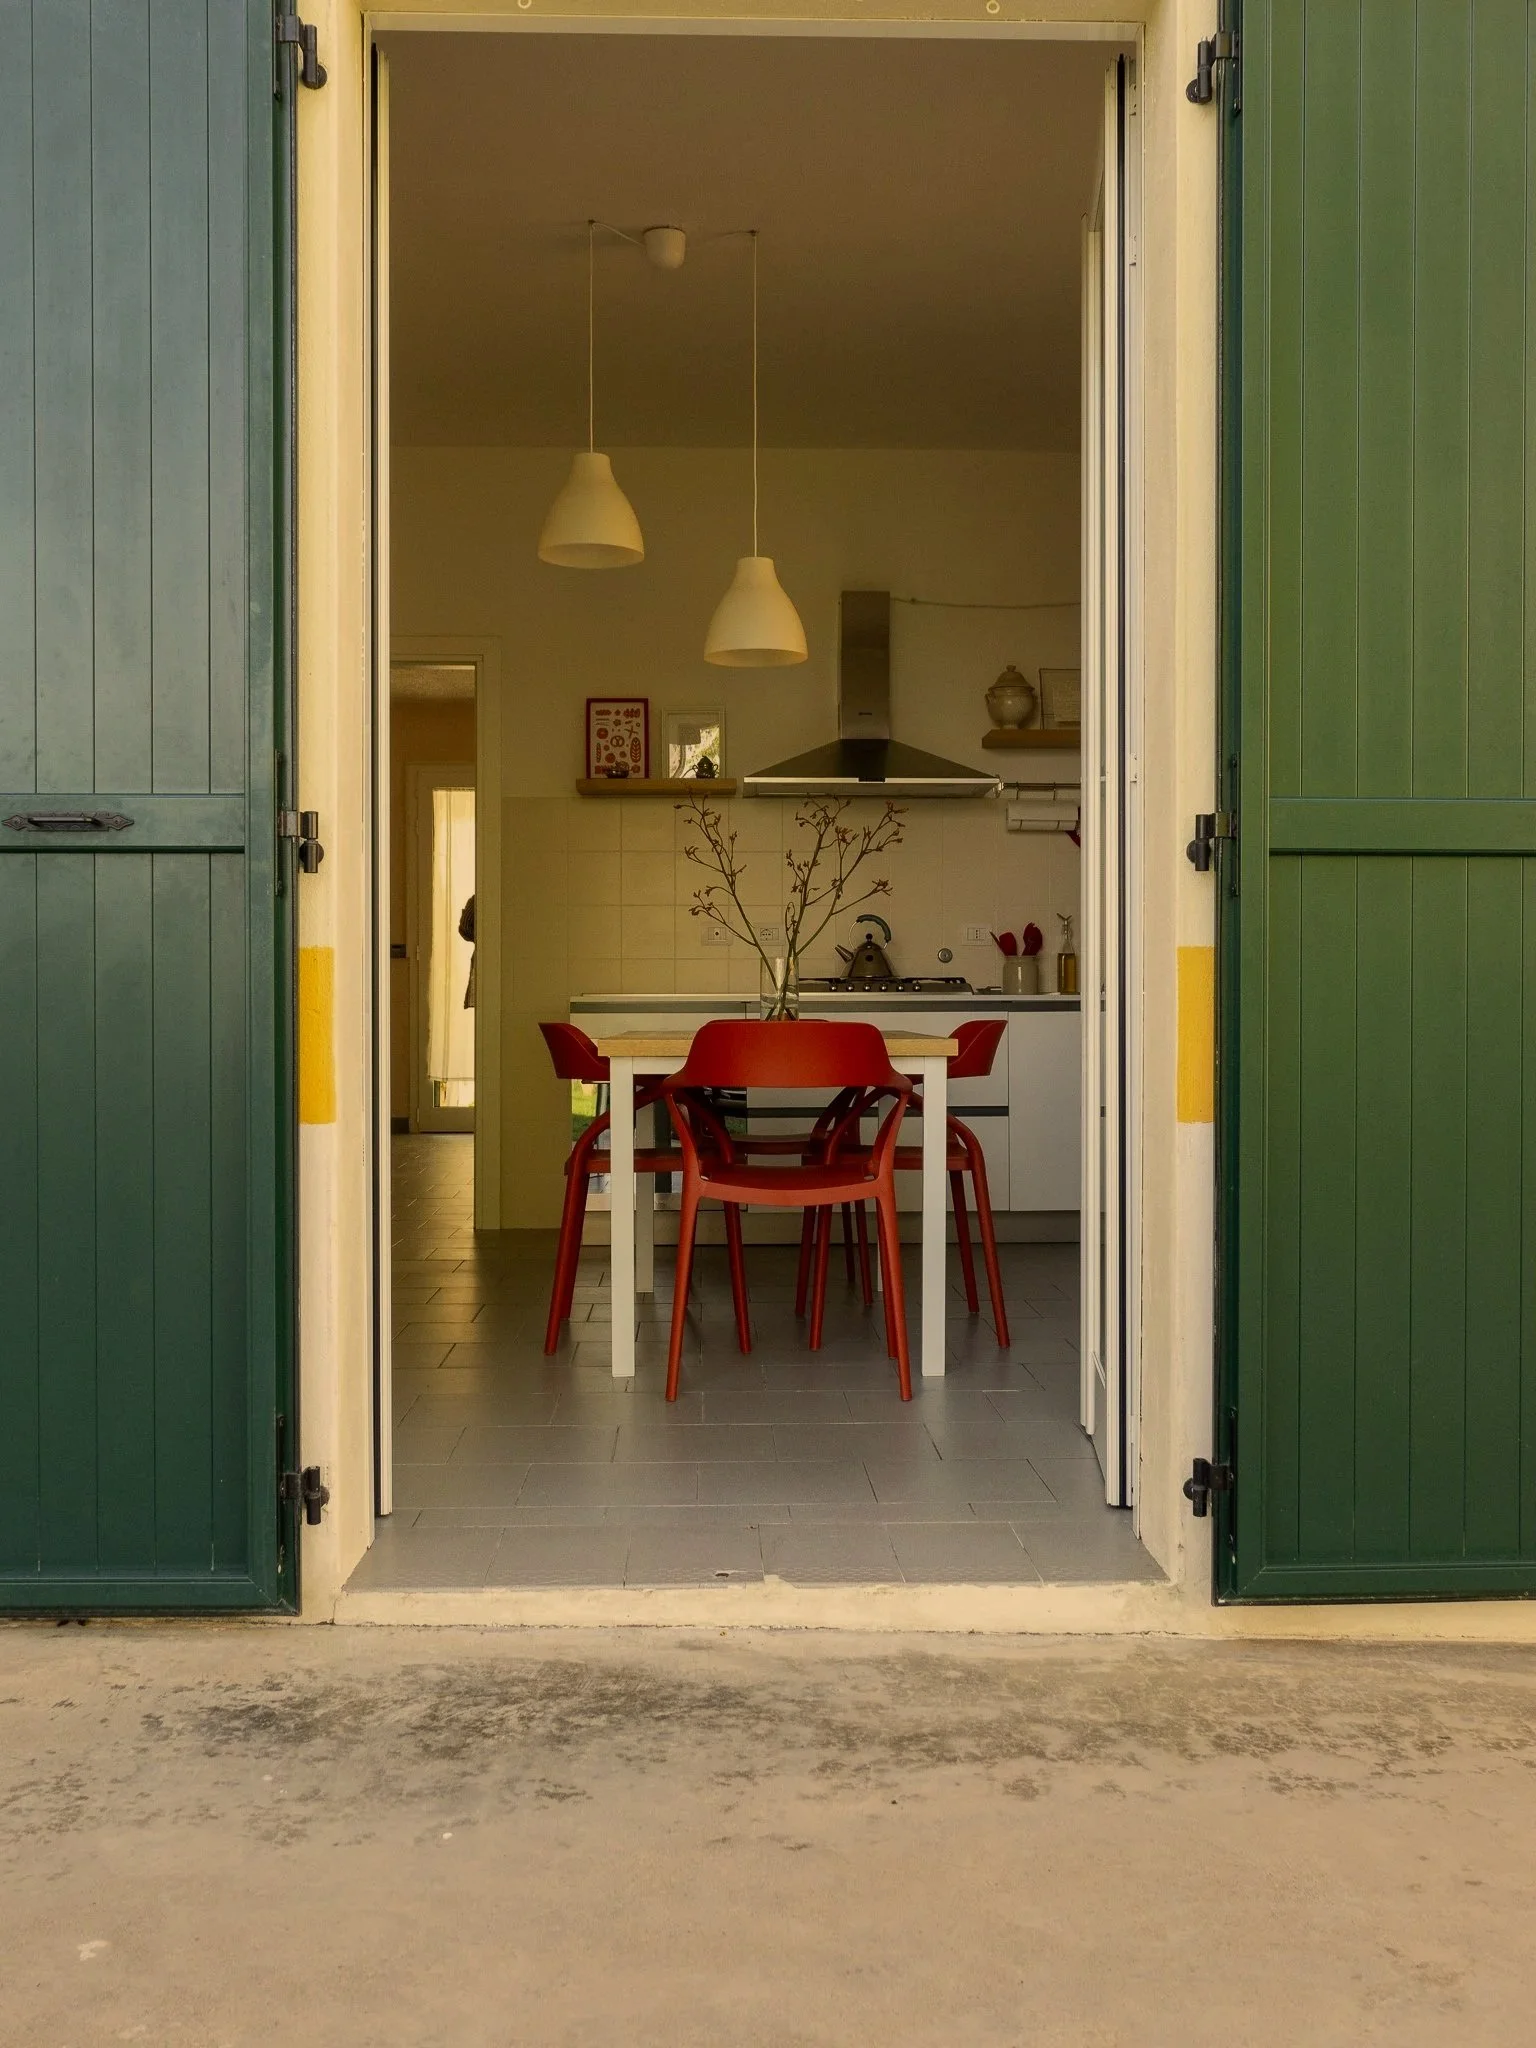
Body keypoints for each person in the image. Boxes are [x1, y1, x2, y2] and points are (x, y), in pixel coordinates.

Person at [458, 894, 476, 1008]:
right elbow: (464, 927)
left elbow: (464, 927)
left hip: (483, 955)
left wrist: (479, 939)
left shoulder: (476, 900)